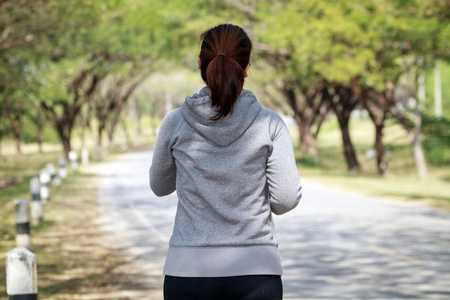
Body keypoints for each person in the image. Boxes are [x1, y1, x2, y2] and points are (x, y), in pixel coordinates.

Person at [150, 24, 302, 300]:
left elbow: (160, 186)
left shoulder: (175, 122)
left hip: (188, 271)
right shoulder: (269, 123)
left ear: (200, 64)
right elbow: (286, 199)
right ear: (246, 68)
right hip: (257, 272)